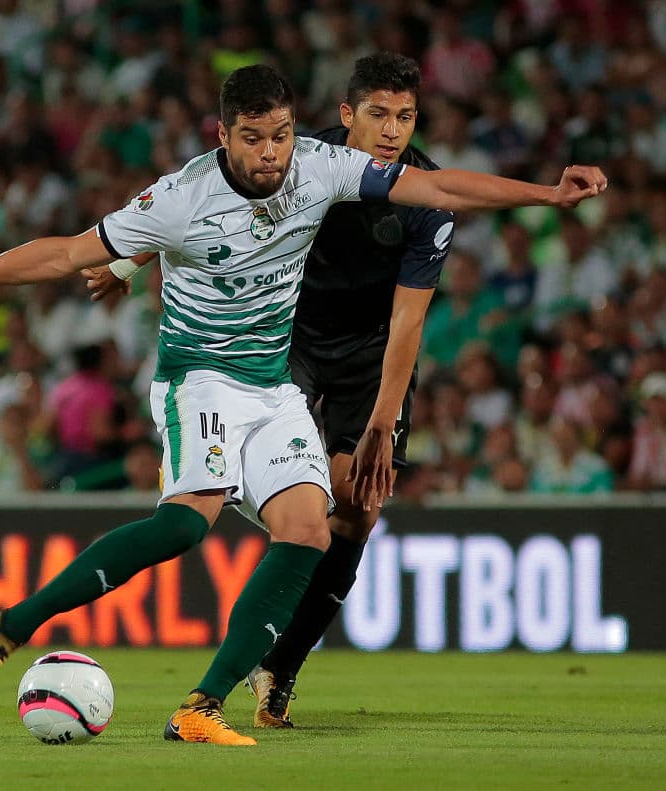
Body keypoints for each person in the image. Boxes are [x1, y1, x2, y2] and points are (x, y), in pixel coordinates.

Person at [0, 64, 606, 746]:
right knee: (185, 525)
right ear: (223, 134)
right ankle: (8, 628)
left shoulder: (321, 167)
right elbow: (63, 253)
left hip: (272, 385)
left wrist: (548, 193)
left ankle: (202, 706)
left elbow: (440, 184)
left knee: (309, 529)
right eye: (254, 137)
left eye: (282, 135)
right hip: (199, 379)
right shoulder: (180, 198)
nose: (271, 154)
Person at [87, 53, 456, 728]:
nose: (392, 131)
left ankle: (280, 664)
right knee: (302, 499)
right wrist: (125, 258)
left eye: (405, 117)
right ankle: (246, 495)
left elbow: (409, 320)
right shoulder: (302, 155)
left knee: (359, 510)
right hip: (286, 337)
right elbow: (206, 203)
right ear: (348, 115)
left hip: (371, 355)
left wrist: (381, 422)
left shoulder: (422, 196)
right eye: (378, 114)